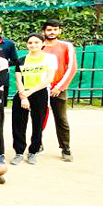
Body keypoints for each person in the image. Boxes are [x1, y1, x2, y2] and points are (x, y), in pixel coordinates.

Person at [10, 33, 58, 166]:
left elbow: (49, 78)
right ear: (27, 45)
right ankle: (19, 152)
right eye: (30, 43)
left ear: (43, 44)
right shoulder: (21, 60)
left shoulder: (49, 58)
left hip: (40, 93)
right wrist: (23, 95)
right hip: (22, 93)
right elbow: (18, 79)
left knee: (38, 123)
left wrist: (30, 92)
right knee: (18, 124)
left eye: (36, 42)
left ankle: (33, 151)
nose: (33, 45)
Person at [42, 19, 78, 162]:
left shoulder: (66, 46)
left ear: (59, 31)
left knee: (61, 119)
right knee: (39, 119)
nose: (52, 32)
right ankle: (37, 145)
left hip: (59, 89)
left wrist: (59, 87)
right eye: (49, 29)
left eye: (55, 29)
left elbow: (72, 68)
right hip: (41, 89)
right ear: (43, 31)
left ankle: (66, 148)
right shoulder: (39, 46)